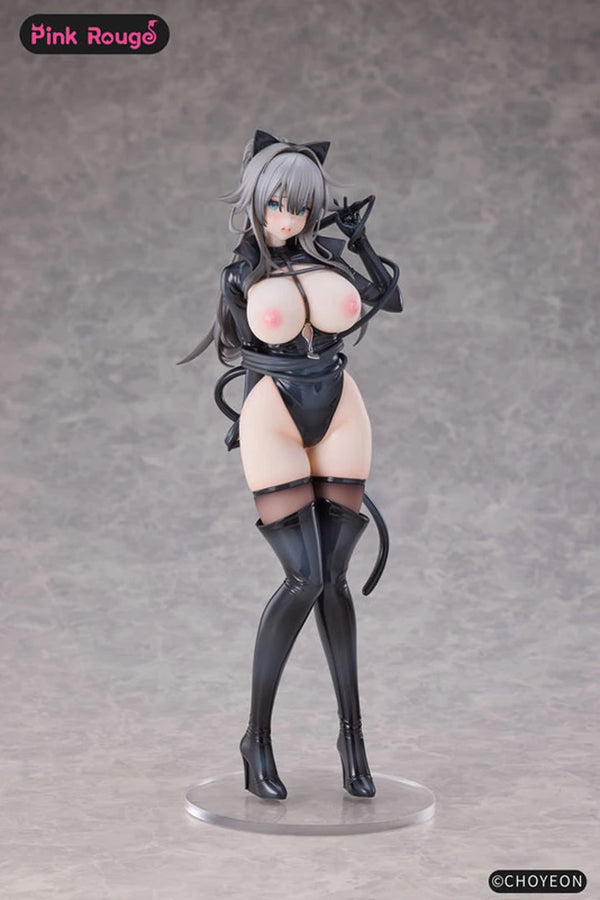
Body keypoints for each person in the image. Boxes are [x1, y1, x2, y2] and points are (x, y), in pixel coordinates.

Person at [180, 130, 402, 799]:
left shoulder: (328, 254)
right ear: (254, 202)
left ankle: (353, 739)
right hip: (274, 411)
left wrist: (360, 242)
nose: (289, 218)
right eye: (277, 204)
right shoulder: (239, 276)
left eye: (301, 206)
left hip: (341, 407)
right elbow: (239, 349)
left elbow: (387, 296)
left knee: (334, 579)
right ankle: (257, 737)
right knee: (304, 576)